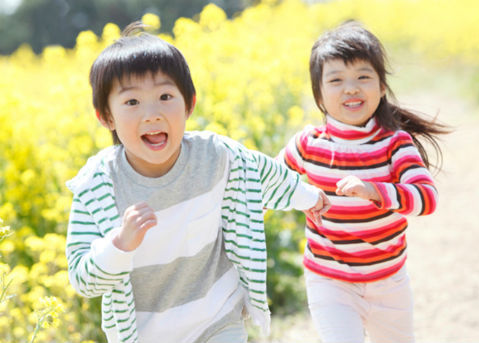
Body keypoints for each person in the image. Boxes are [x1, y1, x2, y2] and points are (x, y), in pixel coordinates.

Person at [65, 22, 330, 343]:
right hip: (146, 333)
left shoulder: (215, 155)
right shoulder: (97, 186)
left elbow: (262, 173)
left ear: (189, 103)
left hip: (218, 318)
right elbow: (82, 278)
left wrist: (309, 197)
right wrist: (119, 245)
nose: (152, 114)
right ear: (106, 117)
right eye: (132, 102)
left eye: (165, 96)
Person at [279, 21, 449, 343]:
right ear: (319, 93)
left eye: (363, 77)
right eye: (336, 80)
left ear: (382, 87)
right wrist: (302, 196)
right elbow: (270, 184)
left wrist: (376, 191)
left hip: (388, 283)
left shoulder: (394, 144)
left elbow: (427, 198)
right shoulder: (307, 144)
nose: (351, 88)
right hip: (329, 281)